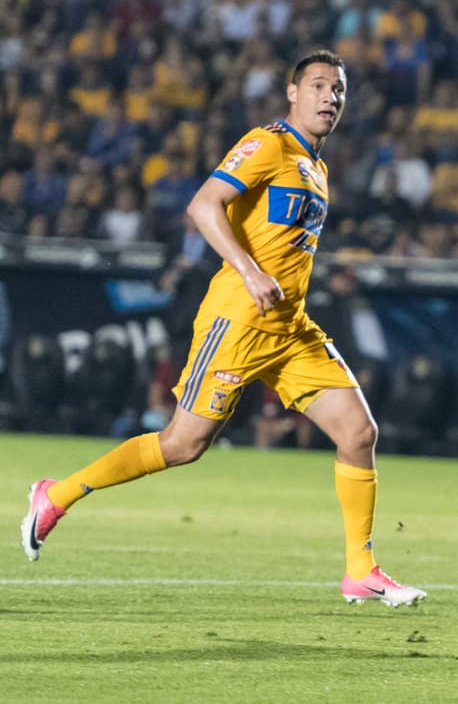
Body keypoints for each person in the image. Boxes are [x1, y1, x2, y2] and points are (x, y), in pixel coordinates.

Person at [20, 50, 425, 609]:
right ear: (292, 93)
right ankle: (56, 495)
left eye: (339, 89)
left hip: (290, 329)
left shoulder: (317, 167)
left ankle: (361, 570)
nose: (330, 96)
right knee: (182, 445)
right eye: (319, 85)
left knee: (358, 433)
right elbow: (204, 205)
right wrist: (250, 269)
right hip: (238, 319)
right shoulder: (269, 143)